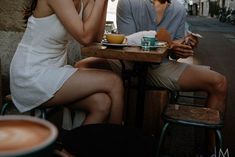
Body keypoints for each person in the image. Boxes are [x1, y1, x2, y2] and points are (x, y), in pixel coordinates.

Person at [76, 0, 227, 115]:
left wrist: (183, 48)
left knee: (219, 82)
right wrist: (170, 44)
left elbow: (174, 53)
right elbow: (127, 45)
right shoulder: (128, 2)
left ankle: (213, 151)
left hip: (161, 67)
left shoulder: (178, 9)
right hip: (126, 64)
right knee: (81, 66)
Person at [10, 0, 124, 125]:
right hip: (30, 75)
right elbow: (85, 37)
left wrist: (103, 2)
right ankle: (117, 142)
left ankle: (74, 144)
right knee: (114, 81)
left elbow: (95, 38)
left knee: (102, 103)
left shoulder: (85, 1)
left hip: (54, 71)